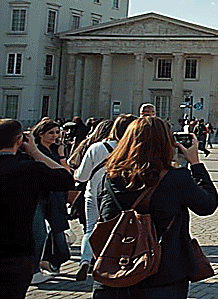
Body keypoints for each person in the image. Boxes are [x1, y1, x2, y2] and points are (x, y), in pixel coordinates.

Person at [94, 117, 218, 298]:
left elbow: (104, 212)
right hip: (163, 273)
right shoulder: (176, 178)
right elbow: (207, 205)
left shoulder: (110, 177)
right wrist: (196, 164)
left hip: (115, 270)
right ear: (166, 144)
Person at [0, 119, 74, 298]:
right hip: (15, 250)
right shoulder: (27, 169)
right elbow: (66, 179)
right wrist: (34, 151)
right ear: (20, 141)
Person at [73, 114, 137, 281]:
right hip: (119, 195)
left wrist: (75, 173)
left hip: (94, 192)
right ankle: (109, 262)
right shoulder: (134, 148)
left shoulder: (97, 147)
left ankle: (85, 261)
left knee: (91, 228)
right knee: (118, 230)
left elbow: (82, 176)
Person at [30, 120, 71, 282]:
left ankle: (48, 262)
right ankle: (35, 269)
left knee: (58, 235)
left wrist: (61, 154)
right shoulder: (35, 151)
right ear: (41, 134)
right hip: (40, 197)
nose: (55, 136)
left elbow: (67, 174)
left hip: (55, 198)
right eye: (51, 133)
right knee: (39, 234)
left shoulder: (55, 150)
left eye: (57, 132)